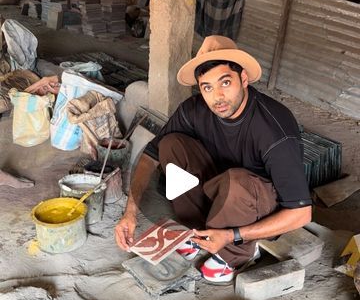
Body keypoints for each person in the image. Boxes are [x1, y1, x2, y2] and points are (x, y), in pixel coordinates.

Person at [115, 35, 312, 284]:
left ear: (243, 80)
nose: (217, 97)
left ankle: (239, 253)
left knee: (237, 180)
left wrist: (232, 236)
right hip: (220, 189)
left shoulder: (274, 130)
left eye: (225, 82)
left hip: (256, 205)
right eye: (207, 87)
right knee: (171, 145)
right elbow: (150, 156)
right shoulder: (194, 109)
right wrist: (130, 212)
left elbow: (301, 214)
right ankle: (200, 232)